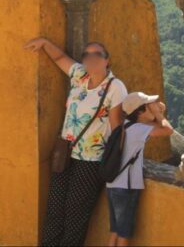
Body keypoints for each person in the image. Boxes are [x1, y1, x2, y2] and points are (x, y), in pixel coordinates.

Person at [24, 38, 128, 246]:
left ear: (107, 60)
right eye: (87, 55)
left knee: (75, 214)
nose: (91, 59)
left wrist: (118, 159)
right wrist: (44, 43)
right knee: (54, 208)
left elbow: (117, 126)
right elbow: (60, 58)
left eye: (97, 55)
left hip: (91, 160)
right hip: (65, 153)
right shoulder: (80, 75)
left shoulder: (115, 87)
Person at [106, 92, 174, 246]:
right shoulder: (139, 130)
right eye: (148, 107)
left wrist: (156, 109)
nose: (153, 108)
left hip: (113, 185)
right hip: (126, 187)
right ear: (140, 112)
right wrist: (157, 113)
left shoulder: (126, 125)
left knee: (115, 232)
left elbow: (158, 122)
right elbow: (168, 130)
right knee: (123, 235)